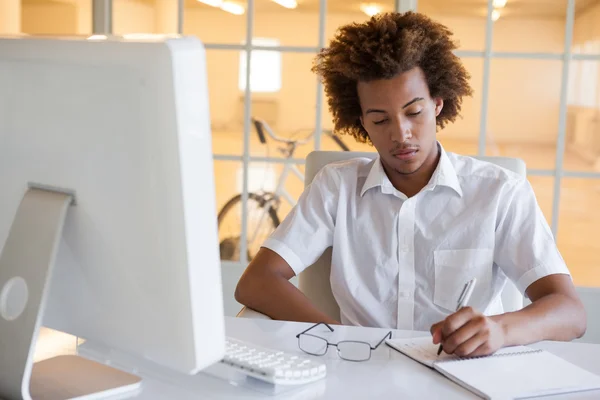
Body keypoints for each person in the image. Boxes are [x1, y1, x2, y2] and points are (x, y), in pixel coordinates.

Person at [234, 11, 586, 357]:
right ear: (361, 123)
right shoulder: (336, 187)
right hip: (361, 373)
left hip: (462, 374)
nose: (400, 134)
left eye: (414, 112)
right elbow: (257, 281)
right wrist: (337, 339)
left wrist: (500, 330)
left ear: (437, 103)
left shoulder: (500, 193)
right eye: (379, 118)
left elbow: (570, 312)